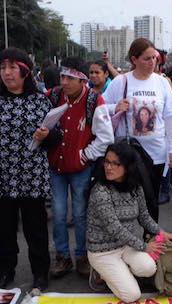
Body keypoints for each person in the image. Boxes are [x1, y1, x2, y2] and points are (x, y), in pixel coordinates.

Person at [0, 47, 59, 292]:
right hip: (0, 178)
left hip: (32, 178)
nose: (7, 73)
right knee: (5, 232)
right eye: (4, 67)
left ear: (25, 72)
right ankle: (5, 271)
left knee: (36, 231)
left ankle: (40, 273)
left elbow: (57, 136)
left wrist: (47, 135)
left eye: (13, 68)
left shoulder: (41, 101)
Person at [47, 57, 114, 279]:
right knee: (57, 213)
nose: (64, 82)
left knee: (80, 213)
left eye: (70, 78)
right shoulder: (53, 96)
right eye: (62, 77)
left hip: (80, 168)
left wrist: (84, 155)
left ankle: (83, 255)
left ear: (82, 80)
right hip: (55, 165)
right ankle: (62, 256)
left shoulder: (95, 101)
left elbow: (105, 138)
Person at [86, 142, 172, 303]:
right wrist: (145, 247)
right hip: (102, 251)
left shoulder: (135, 188)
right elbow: (115, 229)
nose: (109, 167)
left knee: (149, 268)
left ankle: (117, 271)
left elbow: (144, 217)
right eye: (107, 161)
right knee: (132, 296)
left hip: (125, 246)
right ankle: (100, 272)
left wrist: (161, 232)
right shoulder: (100, 191)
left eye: (116, 163)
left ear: (128, 167)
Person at [103, 38, 172, 222]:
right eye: (147, 58)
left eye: (154, 58)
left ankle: (150, 241)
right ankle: (127, 243)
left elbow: (171, 117)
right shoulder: (121, 82)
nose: (152, 62)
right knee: (126, 200)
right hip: (129, 152)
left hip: (156, 153)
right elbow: (100, 107)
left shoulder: (161, 83)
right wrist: (116, 107)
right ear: (134, 59)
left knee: (151, 201)